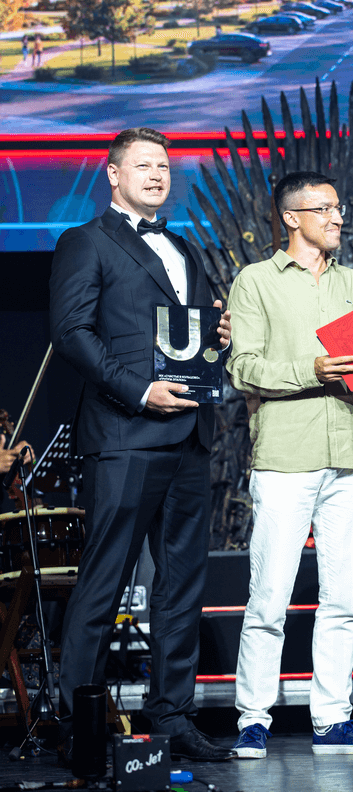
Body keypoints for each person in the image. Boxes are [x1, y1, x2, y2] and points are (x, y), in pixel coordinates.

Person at [49, 127, 234, 762]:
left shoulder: (183, 246)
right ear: (113, 173)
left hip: (189, 435)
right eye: (144, 165)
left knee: (181, 586)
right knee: (104, 582)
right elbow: (72, 333)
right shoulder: (85, 241)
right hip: (126, 433)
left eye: (164, 166)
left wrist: (216, 338)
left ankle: (173, 717)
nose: (157, 174)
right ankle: (79, 724)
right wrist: (140, 390)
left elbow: (188, 339)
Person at [226, 171, 353, 758]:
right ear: (291, 217)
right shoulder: (256, 281)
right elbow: (243, 368)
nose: (337, 218)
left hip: (351, 452)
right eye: (323, 209)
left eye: (338, 208)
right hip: (286, 456)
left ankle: (333, 719)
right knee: (269, 596)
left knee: (343, 599)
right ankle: (253, 719)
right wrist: (311, 370)